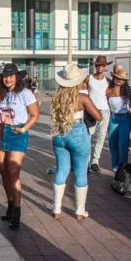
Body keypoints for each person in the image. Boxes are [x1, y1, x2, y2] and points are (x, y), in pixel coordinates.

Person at [51, 64, 102, 221]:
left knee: (62, 170)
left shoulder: (56, 97)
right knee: (80, 172)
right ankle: (80, 211)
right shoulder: (82, 98)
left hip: (59, 133)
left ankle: (56, 208)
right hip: (78, 131)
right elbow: (98, 116)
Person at [0, 63, 39, 230]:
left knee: (14, 172)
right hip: (2, 132)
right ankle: (10, 204)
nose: (7, 78)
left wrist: (23, 129)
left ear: (17, 77)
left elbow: (35, 115)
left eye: (11, 75)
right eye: (5, 76)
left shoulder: (25, 93)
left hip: (17, 133)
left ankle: (17, 211)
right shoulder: (3, 94)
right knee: (3, 170)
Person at [86, 56, 112, 172]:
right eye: (97, 65)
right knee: (88, 136)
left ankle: (95, 161)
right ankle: (86, 161)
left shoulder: (108, 81)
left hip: (105, 110)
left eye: (102, 65)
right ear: (95, 66)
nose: (99, 67)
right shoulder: (89, 78)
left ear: (105, 66)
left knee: (101, 137)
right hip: (91, 110)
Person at [106, 69, 131, 172]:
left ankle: (123, 166)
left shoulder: (128, 92)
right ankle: (115, 165)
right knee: (112, 142)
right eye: (117, 78)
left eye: (122, 79)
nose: (119, 80)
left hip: (125, 118)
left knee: (123, 143)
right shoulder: (108, 90)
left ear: (124, 81)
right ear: (114, 78)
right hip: (113, 118)